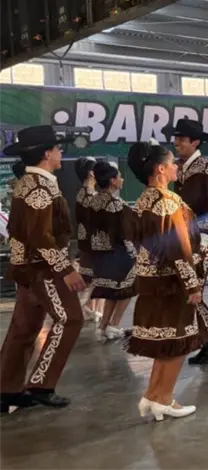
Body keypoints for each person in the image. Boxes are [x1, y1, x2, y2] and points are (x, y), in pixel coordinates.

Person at [126, 140, 208, 421]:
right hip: (170, 281)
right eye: (171, 163)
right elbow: (178, 247)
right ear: (159, 169)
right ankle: (164, 398)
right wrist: (191, 284)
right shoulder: (166, 201)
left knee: (166, 342)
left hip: (151, 279)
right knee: (178, 342)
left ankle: (154, 394)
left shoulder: (145, 199)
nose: (176, 167)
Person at [0, 126, 87, 412]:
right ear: (47, 153)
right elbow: (41, 236)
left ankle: (6, 389)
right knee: (71, 319)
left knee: (24, 328)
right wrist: (66, 270)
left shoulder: (31, 183)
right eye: (58, 149)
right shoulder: (39, 187)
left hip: (29, 268)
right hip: (42, 269)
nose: (61, 153)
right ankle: (41, 384)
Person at [162, 119, 208, 365]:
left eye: (181, 139)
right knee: (187, 291)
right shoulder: (179, 169)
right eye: (176, 138)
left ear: (195, 142)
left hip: (201, 241)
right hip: (183, 239)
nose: (177, 143)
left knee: (190, 292)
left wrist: (204, 239)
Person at [88, 161, 136, 343]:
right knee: (127, 290)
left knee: (111, 292)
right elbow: (124, 233)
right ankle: (114, 325)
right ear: (112, 181)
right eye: (119, 177)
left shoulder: (93, 201)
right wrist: (134, 254)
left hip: (100, 254)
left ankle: (103, 327)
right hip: (118, 253)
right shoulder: (115, 204)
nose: (122, 180)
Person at [74, 157, 102, 323]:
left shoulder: (85, 193)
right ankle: (82, 310)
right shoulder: (88, 195)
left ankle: (93, 310)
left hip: (90, 244)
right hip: (93, 245)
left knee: (95, 281)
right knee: (91, 281)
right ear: (92, 173)